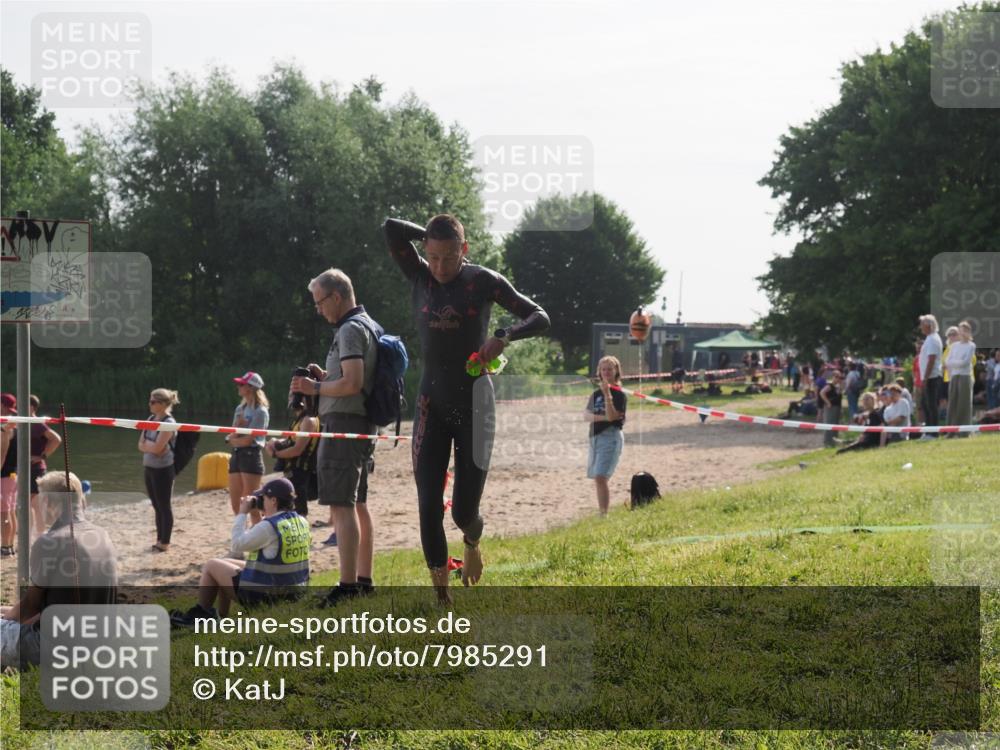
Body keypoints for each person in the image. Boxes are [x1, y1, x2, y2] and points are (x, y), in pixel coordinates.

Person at [383, 215, 550, 604]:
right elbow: (391, 228)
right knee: (428, 504)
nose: (439, 267)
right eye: (433, 256)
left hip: (475, 404)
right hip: (430, 403)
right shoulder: (420, 276)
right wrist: (428, 235)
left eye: (449, 257)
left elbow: (539, 316)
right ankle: (442, 601)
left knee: (462, 512)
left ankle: (473, 539)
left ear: (465, 250)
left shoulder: (482, 281)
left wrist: (504, 335)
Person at [290, 269, 378, 606]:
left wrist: (315, 388)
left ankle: (347, 586)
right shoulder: (366, 324)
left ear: (336, 297)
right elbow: (352, 379)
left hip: (345, 423)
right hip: (359, 423)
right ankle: (363, 580)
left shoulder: (351, 329)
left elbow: (353, 383)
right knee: (357, 503)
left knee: (342, 506)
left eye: (320, 302)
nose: (319, 309)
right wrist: (327, 378)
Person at [0, 471, 118, 670]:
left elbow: (30, 606)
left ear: (50, 504)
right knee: (6, 614)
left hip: (56, 650)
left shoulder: (49, 542)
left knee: (7, 621)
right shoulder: (102, 535)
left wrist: (5, 621)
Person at [171, 478, 309, 625]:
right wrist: (263, 513)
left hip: (267, 596)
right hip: (294, 593)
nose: (262, 501)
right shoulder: (301, 521)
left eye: (264, 498)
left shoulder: (269, 527)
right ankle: (221, 617)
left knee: (211, 565)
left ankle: (200, 615)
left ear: (274, 501)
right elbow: (270, 549)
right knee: (224, 564)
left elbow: (236, 545)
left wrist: (242, 513)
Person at [583, 356, 627, 516]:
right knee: (597, 477)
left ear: (616, 372)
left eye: (610, 369)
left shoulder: (619, 395)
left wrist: (608, 394)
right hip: (595, 437)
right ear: (599, 372)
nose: (606, 372)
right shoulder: (595, 394)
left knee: (601, 476)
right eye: (603, 369)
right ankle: (602, 512)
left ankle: (603, 514)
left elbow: (613, 416)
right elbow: (586, 416)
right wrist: (603, 418)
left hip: (610, 437)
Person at [138, 388, 179, 552]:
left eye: (153, 402)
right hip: (149, 467)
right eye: (150, 400)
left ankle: (165, 542)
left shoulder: (168, 423)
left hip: (163, 469)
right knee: (155, 505)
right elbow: (140, 444)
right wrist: (150, 447)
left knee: (164, 505)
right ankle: (159, 539)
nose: (150, 404)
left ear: (162, 404)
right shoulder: (150, 418)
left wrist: (150, 447)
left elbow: (157, 448)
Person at [265, 396, 319, 519]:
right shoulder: (300, 419)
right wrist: (275, 443)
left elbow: (297, 450)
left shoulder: (309, 420)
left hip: (301, 471)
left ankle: (302, 535)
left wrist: (275, 454)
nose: (291, 398)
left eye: (294, 396)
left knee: (299, 511)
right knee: (290, 506)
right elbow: (292, 440)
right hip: (293, 470)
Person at [228, 371, 270, 520]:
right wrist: (238, 429)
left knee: (250, 503)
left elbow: (248, 441)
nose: (238, 387)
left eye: (241, 384)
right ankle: (243, 536)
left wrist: (237, 437)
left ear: (250, 388)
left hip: (251, 456)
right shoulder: (239, 409)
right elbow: (230, 438)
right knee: (235, 504)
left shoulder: (261, 412)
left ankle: (258, 535)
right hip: (236, 455)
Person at [946, 320, 976, 433]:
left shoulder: (971, 345)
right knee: (953, 402)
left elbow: (966, 362)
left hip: (965, 376)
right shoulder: (954, 346)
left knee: (964, 403)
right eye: (960, 330)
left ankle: (964, 431)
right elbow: (948, 361)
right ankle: (951, 431)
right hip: (954, 376)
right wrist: (957, 362)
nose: (962, 333)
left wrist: (955, 362)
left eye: (964, 330)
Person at [917, 314, 944, 437]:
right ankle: (928, 430)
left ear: (928, 325)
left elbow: (931, 360)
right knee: (926, 405)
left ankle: (933, 433)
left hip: (932, 377)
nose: (920, 327)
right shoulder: (929, 338)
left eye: (922, 325)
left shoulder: (933, 339)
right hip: (928, 377)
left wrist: (926, 378)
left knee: (931, 405)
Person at [0, 393, 18, 556]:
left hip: (4, 475)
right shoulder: (17, 424)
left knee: (4, 512)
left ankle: (5, 547)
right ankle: (10, 546)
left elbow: (2, 454)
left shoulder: (6, 427)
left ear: (3, 406)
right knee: (10, 511)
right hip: (13, 475)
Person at [819, 370, 843, 447]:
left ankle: (833, 441)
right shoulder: (830, 386)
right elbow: (822, 393)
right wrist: (828, 402)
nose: (838, 379)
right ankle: (827, 442)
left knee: (835, 424)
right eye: (836, 377)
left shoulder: (837, 387)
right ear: (833, 377)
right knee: (829, 423)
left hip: (836, 408)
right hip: (831, 408)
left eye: (840, 377)